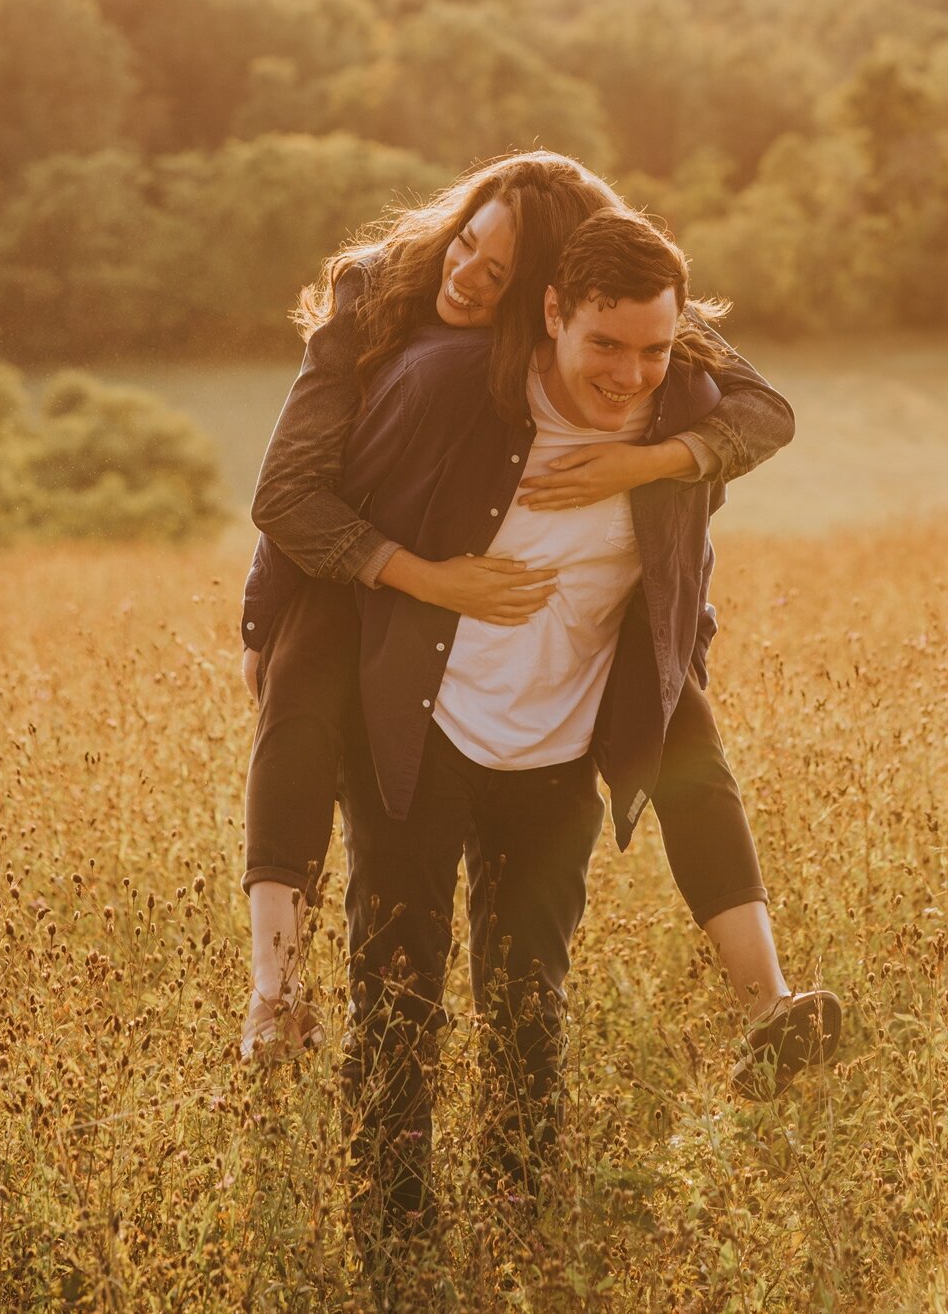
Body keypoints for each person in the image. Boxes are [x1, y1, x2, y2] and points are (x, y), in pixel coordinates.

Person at [238, 157, 837, 1087]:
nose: (471, 273)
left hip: (500, 649)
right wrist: (265, 619)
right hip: (341, 561)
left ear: (548, 295)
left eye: (502, 270)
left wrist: (645, 464)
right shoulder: (379, 296)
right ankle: (273, 992)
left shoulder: (621, 339)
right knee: (304, 684)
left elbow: (758, 406)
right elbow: (294, 493)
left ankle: (769, 1005)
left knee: (681, 727)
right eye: (470, 237)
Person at [330, 207, 839, 1255]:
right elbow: (320, 497)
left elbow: (772, 415)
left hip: (555, 760)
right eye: (605, 345)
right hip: (420, 745)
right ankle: (394, 1239)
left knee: (528, 1010)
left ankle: (522, 1236)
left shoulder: (682, 413)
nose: (628, 374)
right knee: (396, 1004)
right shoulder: (451, 389)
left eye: (655, 349)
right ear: (552, 312)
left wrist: (641, 466)